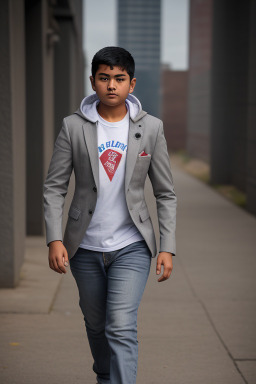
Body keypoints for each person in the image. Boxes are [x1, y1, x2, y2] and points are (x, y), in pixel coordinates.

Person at [43, 46, 177, 384]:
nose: (112, 85)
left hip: (132, 245)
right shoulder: (73, 127)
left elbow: (165, 192)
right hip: (84, 247)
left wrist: (167, 246)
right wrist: (54, 238)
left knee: (120, 323)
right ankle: (105, 374)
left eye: (119, 79)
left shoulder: (151, 128)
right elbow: (54, 187)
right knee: (96, 324)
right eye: (104, 78)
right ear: (93, 81)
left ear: (132, 84)